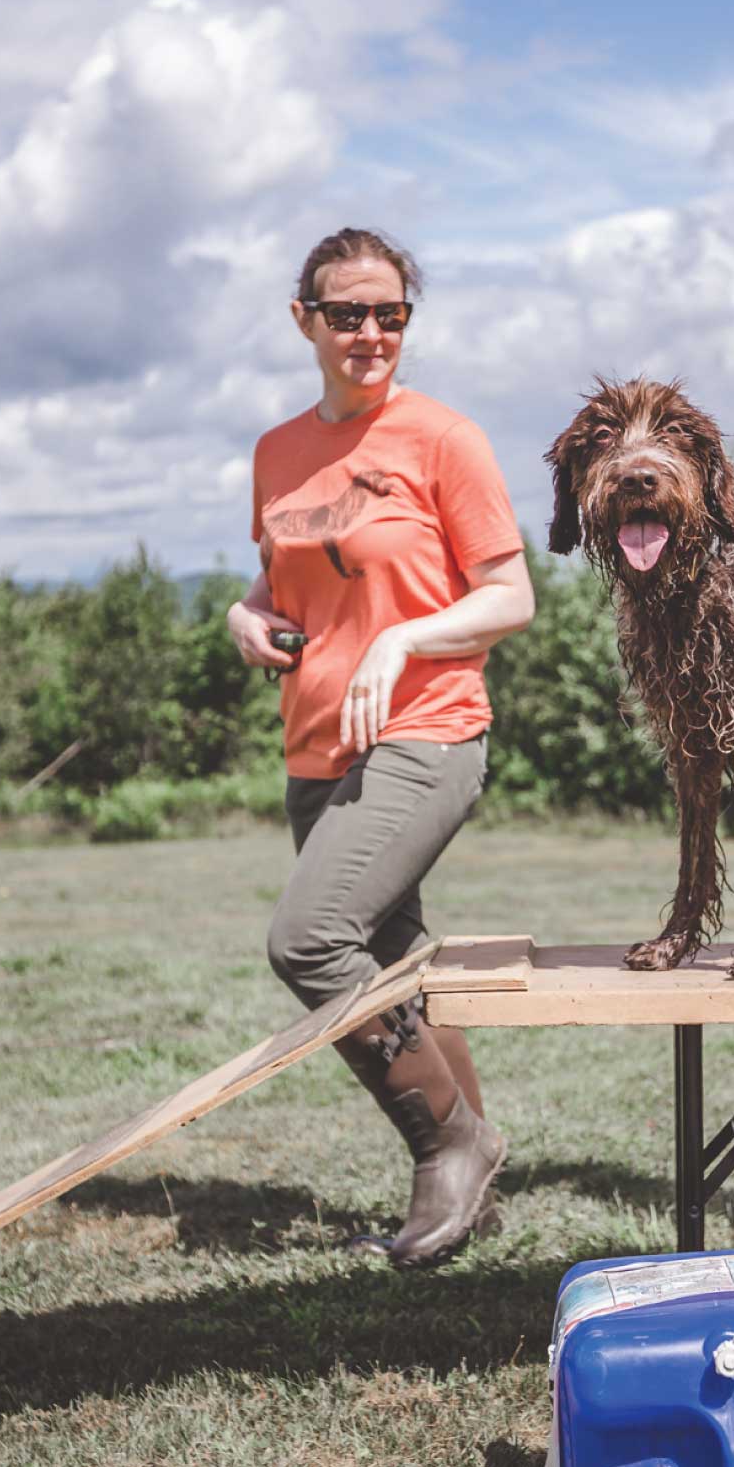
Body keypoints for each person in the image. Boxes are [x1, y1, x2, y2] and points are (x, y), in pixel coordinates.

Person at [226, 227, 535, 1269]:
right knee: (395, 958)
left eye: (390, 314)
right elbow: (285, 583)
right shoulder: (275, 451)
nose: (369, 332)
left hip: (427, 729)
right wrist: (246, 613)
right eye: (347, 312)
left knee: (309, 940)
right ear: (302, 318)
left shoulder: (443, 439)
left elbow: (508, 595)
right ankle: (476, 1195)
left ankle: (450, 1141)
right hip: (315, 744)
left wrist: (403, 637)